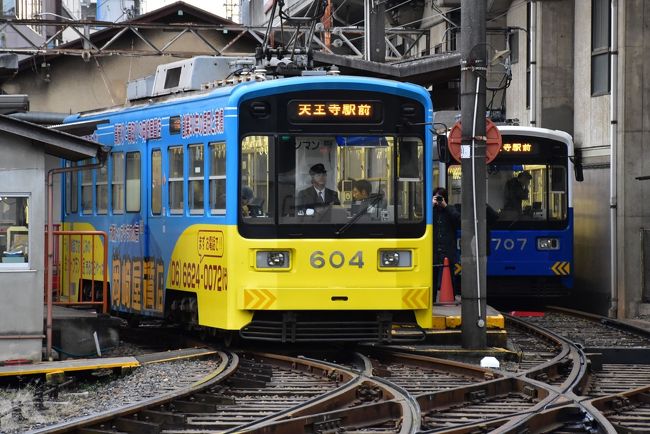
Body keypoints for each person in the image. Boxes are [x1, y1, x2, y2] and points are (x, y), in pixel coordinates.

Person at [432, 187, 460, 301]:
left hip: (447, 249)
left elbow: (458, 220)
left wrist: (445, 206)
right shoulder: (430, 211)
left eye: (440, 198)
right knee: (432, 275)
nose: (438, 201)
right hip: (433, 249)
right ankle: (432, 298)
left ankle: (450, 298)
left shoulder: (451, 210)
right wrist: (431, 206)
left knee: (449, 275)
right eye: (436, 197)